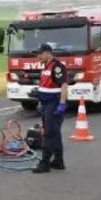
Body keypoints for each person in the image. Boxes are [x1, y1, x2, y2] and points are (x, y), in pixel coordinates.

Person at [32, 43, 68, 174]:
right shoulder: (45, 67)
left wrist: (62, 104)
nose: (38, 56)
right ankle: (59, 161)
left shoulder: (57, 67)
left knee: (48, 133)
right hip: (46, 103)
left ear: (47, 52)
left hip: (54, 103)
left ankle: (45, 163)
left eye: (40, 53)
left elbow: (63, 86)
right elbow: (46, 85)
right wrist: (38, 94)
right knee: (55, 133)